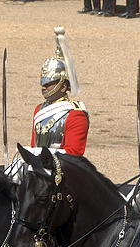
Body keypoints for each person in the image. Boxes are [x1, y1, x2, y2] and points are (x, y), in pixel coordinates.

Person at [31, 27, 89, 157]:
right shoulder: (39, 109)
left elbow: (73, 154)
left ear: (63, 87)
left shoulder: (75, 114)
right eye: (43, 84)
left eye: (49, 84)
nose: (44, 88)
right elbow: (34, 146)